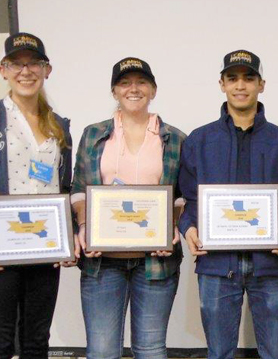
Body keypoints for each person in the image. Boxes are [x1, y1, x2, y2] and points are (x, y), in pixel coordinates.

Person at [178, 50, 278, 359]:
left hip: (271, 262)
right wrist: (188, 227)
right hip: (217, 266)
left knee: (274, 352)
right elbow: (188, 198)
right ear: (221, 84)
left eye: (249, 78)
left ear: (262, 84)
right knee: (219, 352)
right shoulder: (199, 140)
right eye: (232, 78)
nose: (240, 85)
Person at [0, 32, 73, 358]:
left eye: (34, 63)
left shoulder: (59, 127)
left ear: (46, 69)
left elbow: (63, 189)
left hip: (44, 248)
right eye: (16, 64)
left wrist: (66, 236)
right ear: (3, 70)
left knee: (37, 342)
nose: (26, 71)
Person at [70, 57, 185, 358]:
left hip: (155, 263)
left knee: (150, 348)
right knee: (102, 350)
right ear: (114, 91)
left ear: (153, 90)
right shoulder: (93, 135)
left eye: (141, 82)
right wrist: (83, 228)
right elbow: (79, 189)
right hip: (102, 262)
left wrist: (170, 227)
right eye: (125, 83)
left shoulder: (175, 139)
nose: (133, 89)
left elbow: (182, 196)